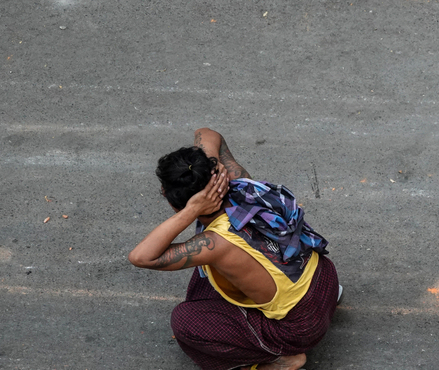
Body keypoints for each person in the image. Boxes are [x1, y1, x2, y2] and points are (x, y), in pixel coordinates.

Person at [128, 128, 340, 370]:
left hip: (301, 328)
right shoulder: (241, 184)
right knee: (204, 278)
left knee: (186, 320)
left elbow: (141, 257)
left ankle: (282, 359)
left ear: (175, 203)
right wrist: (211, 169)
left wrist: (191, 211)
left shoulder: (215, 244)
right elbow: (207, 133)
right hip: (325, 281)